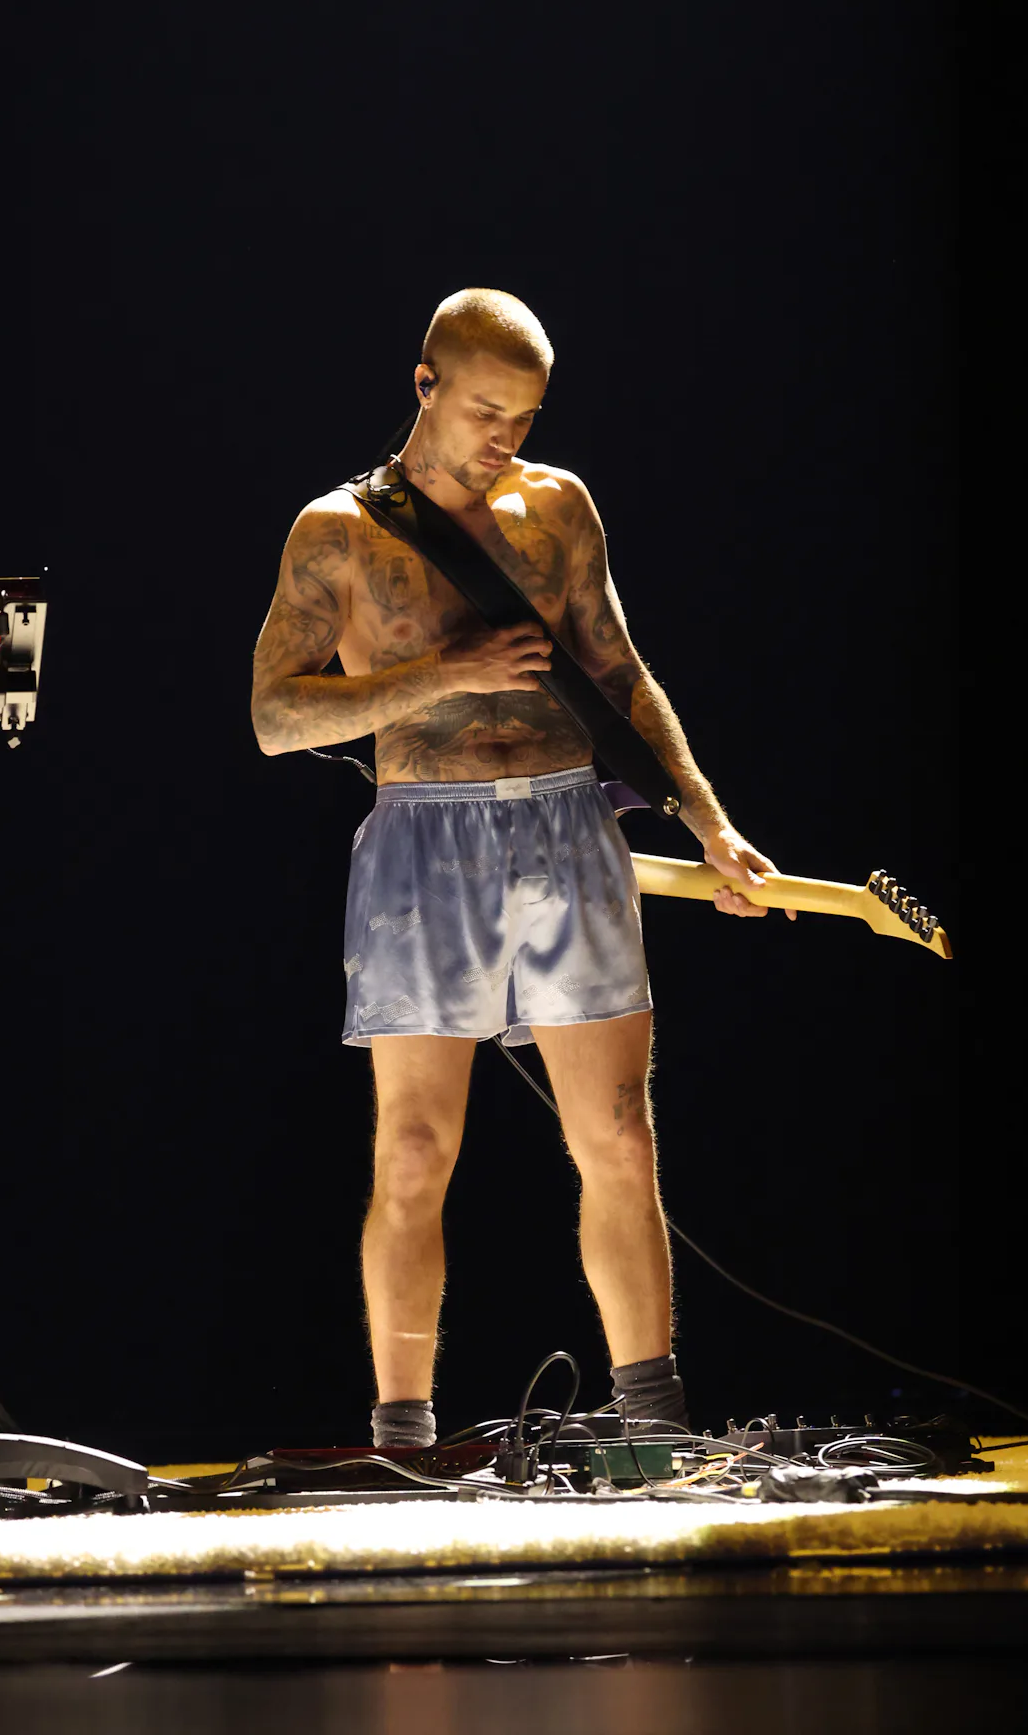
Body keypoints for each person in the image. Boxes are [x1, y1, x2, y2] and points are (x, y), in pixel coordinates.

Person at [251, 288, 794, 1450]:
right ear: (425, 384)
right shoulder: (337, 531)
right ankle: (404, 1439)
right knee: (413, 1150)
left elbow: (621, 673)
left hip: (565, 826)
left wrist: (708, 821)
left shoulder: (558, 507)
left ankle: (656, 1428)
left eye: (526, 416)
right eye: (485, 411)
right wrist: (445, 676)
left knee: (620, 1134)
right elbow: (274, 718)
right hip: (422, 838)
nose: (506, 437)